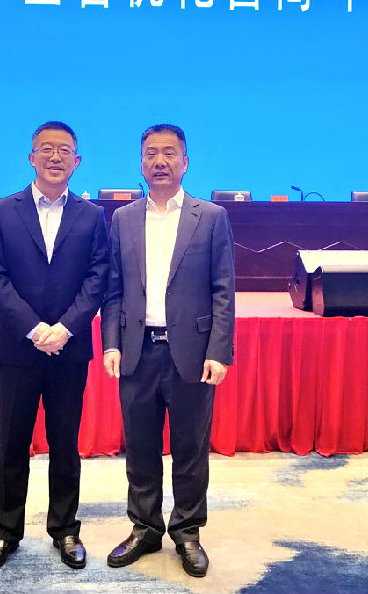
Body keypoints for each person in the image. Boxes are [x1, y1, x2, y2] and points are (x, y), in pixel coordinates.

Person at [101, 123, 235, 578]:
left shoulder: (211, 217)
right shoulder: (123, 219)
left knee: (190, 447)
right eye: (151, 153)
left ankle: (187, 532)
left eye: (169, 153)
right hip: (137, 350)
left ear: (185, 161)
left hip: (192, 353)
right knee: (140, 446)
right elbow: (113, 289)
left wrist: (219, 351)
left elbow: (223, 289)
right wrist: (112, 342)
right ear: (141, 162)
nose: (160, 161)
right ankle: (144, 528)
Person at [0, 121, 109, 573]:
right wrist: (34, 329)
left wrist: (66, 328)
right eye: (46, 149)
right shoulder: (1, 211)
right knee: (12, 444)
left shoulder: (92, 216)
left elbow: (98, 277)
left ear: (77, 161)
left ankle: (65, 529)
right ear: (31, 157)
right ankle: (4, 532)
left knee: (65, 445)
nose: (55, 157)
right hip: (17, 348)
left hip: (69, 349)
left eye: (64, 150)